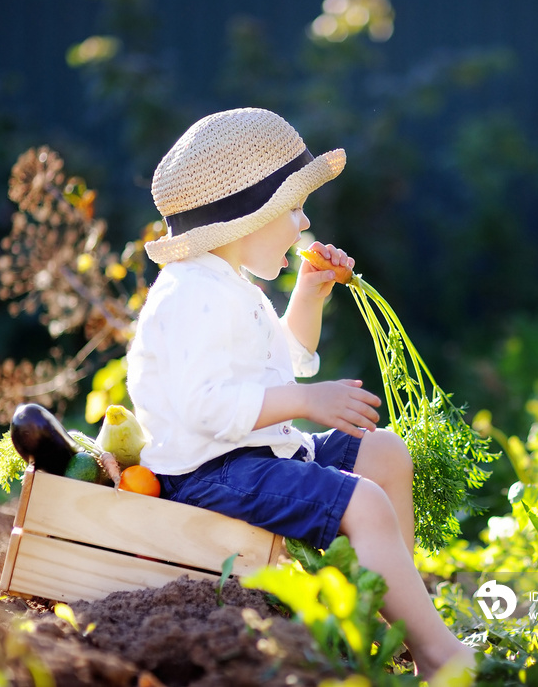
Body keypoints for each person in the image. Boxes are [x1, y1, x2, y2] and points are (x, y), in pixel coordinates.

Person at [127, 107, 474, 679]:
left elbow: (280, 362)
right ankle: (441, 654)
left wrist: (308, 294)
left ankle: (393, 625)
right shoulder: (194, 296)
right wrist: (309, 403)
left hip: (252, 454)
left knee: (385, 453)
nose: (303, 221)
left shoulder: (225, 283)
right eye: (292, 209)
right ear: (246, 217)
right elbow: (207, 407)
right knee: (362, 501)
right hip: (210, 474)